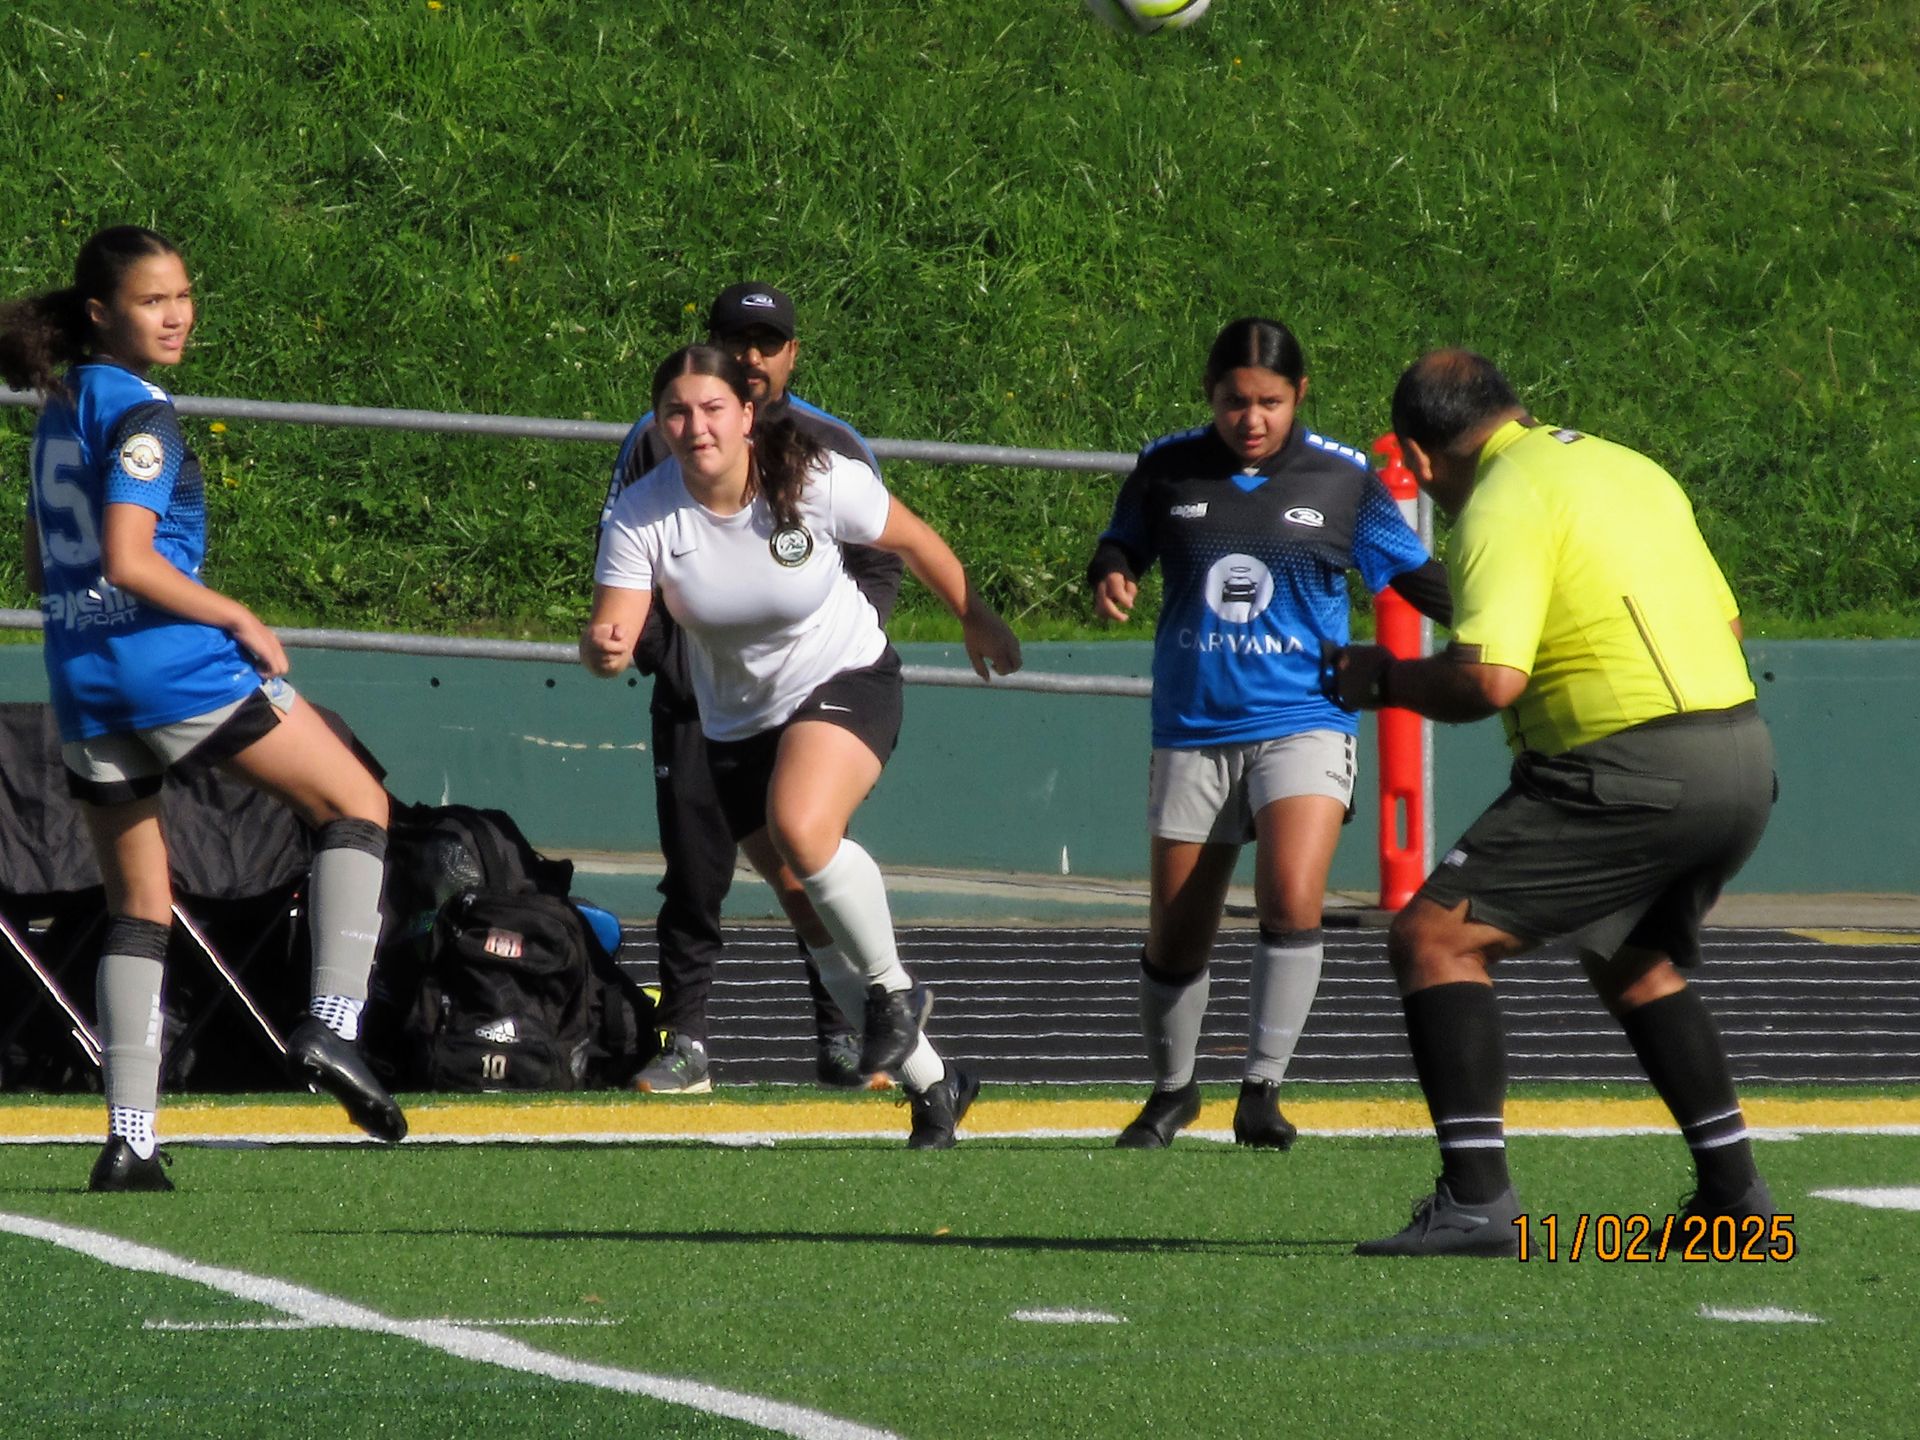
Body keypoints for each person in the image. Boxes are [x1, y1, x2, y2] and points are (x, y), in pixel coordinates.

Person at [1330, 349, 1777, 1257]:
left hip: (1625, 765)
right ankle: (1737, 1197)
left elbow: (1490, 678)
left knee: (1434, 939)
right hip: (1742, 753)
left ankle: (1476, 1201)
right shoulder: (1627, 465)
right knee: (1636, 959)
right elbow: (1725, 623)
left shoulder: (1498, 498)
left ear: (1417, 459)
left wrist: (1384, 679)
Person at [0, 226, 405, 1192]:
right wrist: (239, 616)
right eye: (152, 301)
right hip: (167, 667)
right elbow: (133, 559)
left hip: (83, 678)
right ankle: (333, 1025)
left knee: (138, 907)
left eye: (182, 295)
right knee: (356, 807)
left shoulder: (60, 408)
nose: (176, 315)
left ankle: (130, 1138)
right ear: (102, 313)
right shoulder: (143, 412)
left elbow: (32, 561)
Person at [583, 344, 1020, 1146]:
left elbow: (914, 540)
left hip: (845, 675)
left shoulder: (812, 476)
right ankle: (938, 1087)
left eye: (712, 409)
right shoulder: (643, 512)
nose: (695, 427)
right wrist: (604, 647)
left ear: (747, 416)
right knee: (807, 907)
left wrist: (975, 615)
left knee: (803, 827)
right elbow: (615, 619)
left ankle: (892, 994)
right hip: (735, 720)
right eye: (676, 412)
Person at [1087, 317, 1452, 1150]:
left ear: (1300, 397)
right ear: (1209, 395)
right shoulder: (1166, 466)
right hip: (1193, 722)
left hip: (1304, 718)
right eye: (1234, 402)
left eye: (1270, 403)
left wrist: (1509, 620)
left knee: (1292, 899)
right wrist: (1111, 570)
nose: (1251, 420)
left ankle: (1262, 1086)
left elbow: (1417, 575)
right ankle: (1174, 1090)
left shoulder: (1343, 480)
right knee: (1178, 932)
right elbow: (1123, 542)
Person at [600, 282, 922, 1094]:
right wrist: (666, 660)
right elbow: (628, 569)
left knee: (806, 861)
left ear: (790, 356)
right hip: (699, 698)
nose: (751, 358)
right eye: (735, 340)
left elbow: (882, 555)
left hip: (813, 694)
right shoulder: (656, 441)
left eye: (768, 342)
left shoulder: (827, 444)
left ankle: (848, 1034)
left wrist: (827, 646)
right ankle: (688, 1041)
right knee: (695, 871)